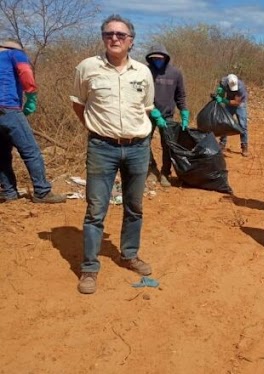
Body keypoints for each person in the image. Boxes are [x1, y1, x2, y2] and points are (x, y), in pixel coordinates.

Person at [70, 14, 157, 294]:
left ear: (131, 41)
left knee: (135, 207)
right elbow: (79, 104)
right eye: (109, 34)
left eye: (121, 35)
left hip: (138, 147)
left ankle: (129, 254)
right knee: (96, 210)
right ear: (103, 37)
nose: (115, 38)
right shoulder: (87, 68)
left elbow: (146, 107)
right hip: (101, 148)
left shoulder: (143, 72)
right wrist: (97, 129)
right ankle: (89, 268)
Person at [0, 40, 66, 204]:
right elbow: (25, 71)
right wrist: (31, 96)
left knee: (1, 154)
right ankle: (42, 192)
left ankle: (9, 193)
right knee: (31, 151)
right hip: (9, 108)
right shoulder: (14, 53)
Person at [145, 44, 189, 187]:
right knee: (143, 143)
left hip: (167, 115)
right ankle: (151, 169)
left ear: (165, 58)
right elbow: (141, 94)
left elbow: (180, 95)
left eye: (160, 58)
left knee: (167, 145)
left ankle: (165, 172)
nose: (157, 60)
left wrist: (184, 113)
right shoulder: (145, 72)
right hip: (148, 114)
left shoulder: (175, 73)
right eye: (154, 59)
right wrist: (152, 110)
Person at [213, 74, 249, 157]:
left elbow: (236, 102)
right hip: (228, 102)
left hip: (239, 104)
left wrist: (223, 100)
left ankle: (244, 146)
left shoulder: (241, 87)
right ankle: (222, 144)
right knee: (225, 123)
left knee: (242, 125)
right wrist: (219, 95)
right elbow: (221, 93)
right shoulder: (224, 82)